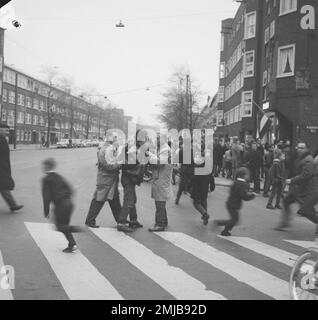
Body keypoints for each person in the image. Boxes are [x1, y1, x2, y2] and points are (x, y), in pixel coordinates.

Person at [42, 158, 82, 253]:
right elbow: (70, 189)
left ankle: (78, 229)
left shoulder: (46, 179)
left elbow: (46, 197)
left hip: (61, 205)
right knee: (64, 225)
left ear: (47, 166)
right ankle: (72, 244)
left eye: (44, 166)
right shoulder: (59, 177)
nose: (43, 168)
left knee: (60, 227)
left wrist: (46, 211)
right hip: (69, 203)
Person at [276, 142, 318, 231]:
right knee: (286, 201)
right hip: (298, 188)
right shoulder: (300, 158)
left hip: (308, 190)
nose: (299, 149)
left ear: (306, 149)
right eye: (298, 147)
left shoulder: (308, 160)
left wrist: (291, 180)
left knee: (305, 211)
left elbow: (306, 175)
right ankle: (285, 222)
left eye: (302, 148)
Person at [85, 135, 122, 228]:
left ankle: (121, 220)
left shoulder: (107, 149)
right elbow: (108, 166)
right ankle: (90, 220)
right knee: (99, 200)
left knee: (114, 201)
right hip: (106, 180)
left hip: (109, 180)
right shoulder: (104, 151)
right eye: (115, 140)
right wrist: (119, 165)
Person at [212, 167, 256, 236]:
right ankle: (219, 223)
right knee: (235, 220)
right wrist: (252, 196)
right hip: (234, 204)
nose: (248, 176)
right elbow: (243, 196)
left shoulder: (236, 182)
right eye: (247, 174)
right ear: (244, 175)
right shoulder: (243, 184)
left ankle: (225, 231)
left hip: (230, 203)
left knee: (234, 219)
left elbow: (232, 191)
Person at [116, 132, 145, 233]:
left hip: (129, 178)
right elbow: (124, 164)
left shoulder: (133, 147)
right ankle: (121, 222)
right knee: (129, 200)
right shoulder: (132, 149)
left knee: (132, 199)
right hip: (128, 178)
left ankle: (133, 220)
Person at [148, 134, 173, 232]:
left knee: (160, 201)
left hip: (161, 179)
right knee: (160, 200)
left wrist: (149, 156)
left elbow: (159, 163)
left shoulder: (165, 150)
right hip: (160, 178)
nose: (156, 140)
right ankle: (164, 221)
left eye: (158, 138)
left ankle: (160, 224)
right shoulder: (162, 149)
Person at [0, 123, 23, 213]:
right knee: (3, 186)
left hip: (3, 166)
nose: (7, 132)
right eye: (5, 130)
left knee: (3, 186)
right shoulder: (1, 139)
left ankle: (13, 205)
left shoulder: (3, 139)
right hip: (1, 167)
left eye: (8, 130)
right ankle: (13, 205)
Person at [190, 146, 212, 225]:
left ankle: (205, 214)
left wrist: (189, 185)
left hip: (197, 185)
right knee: (204, 200)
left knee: (196, 203)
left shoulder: (198, 162)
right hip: (205, 185)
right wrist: (212, 185)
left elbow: (194, 176)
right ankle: (205, 217)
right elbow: (211, 176)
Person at [175, 137, 194, 205]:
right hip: (191, 170)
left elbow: (179, 160)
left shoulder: (181, 150)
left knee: (182, 184)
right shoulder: (193, 151)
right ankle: (195, 199)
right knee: (191, 184)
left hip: (183, 169)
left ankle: (177, 198)